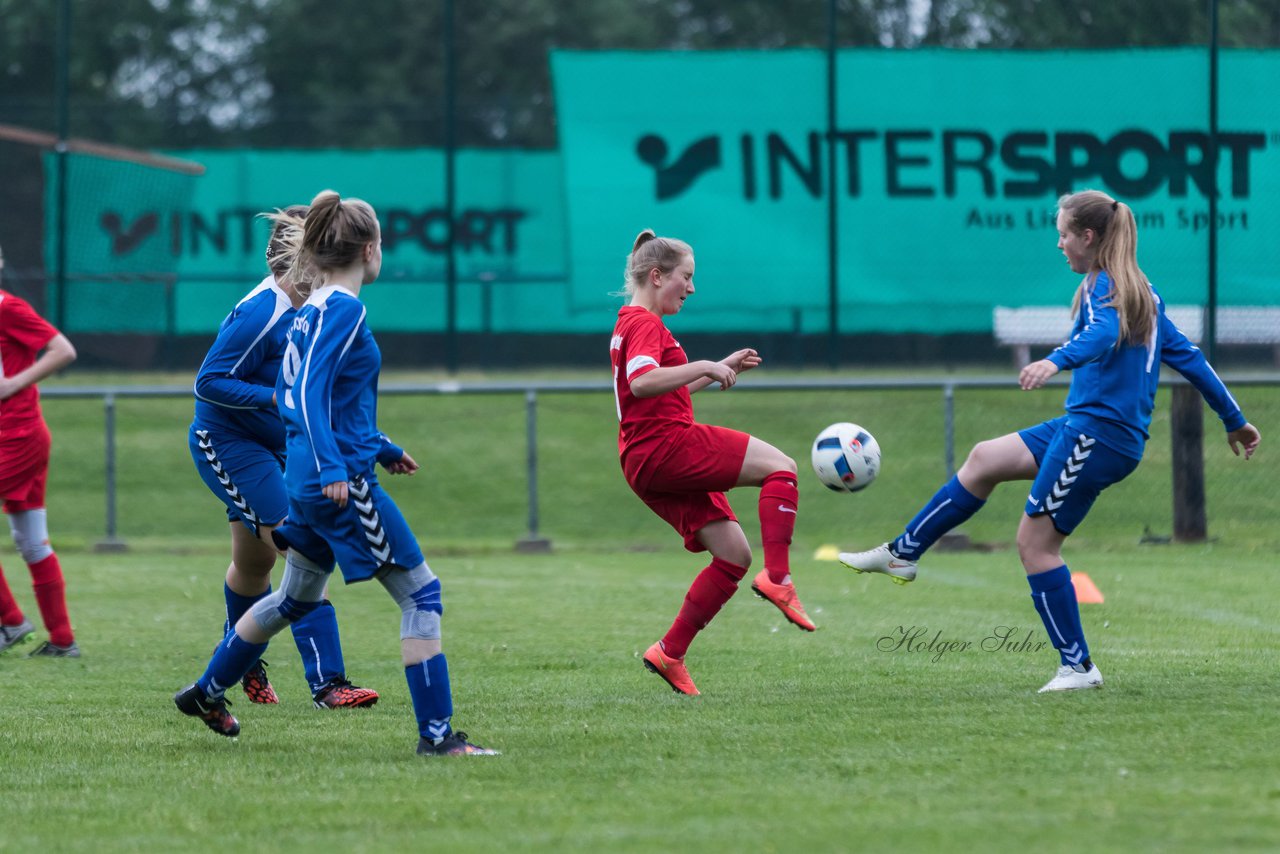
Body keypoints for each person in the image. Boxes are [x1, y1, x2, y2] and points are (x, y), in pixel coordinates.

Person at [839, 189, 1262, 693]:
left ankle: (1078, 667)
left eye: (1064, 234)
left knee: (1035, 546)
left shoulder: (1106, 287)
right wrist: (1234, 418)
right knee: (984, 459)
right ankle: (903, 554)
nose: (1058, 243)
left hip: (1097, 435)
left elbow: (1104, 335)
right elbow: (1189, 356)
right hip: (1085, 427)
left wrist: (1055, 359)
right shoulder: (1141, 290)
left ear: (1088, 236)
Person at [175, 190, 496, 756]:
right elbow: (304, 394)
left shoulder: (312, 307)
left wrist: (382, 445)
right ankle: (439, 739)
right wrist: (335, 467)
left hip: (308, 478)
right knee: (422, 597)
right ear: (370, 249)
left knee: (291, 598)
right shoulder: (341, 308)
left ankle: (206, 690)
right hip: (337, 484)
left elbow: (335, 402)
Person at [188, 205, 377, 709]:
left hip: (273, 444)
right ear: (301, 261)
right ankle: (329, 684)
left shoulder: (317, 307)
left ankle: (238, 660)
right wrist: (276, 397)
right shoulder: (263, 310)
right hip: (229, 443)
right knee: (303, 547)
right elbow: (207, 382)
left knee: (253, 564)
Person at [611, 229, 812, 697]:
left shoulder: (630, 322)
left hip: (645, 460)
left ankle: (670, 652)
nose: (692, 288)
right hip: (664, 446)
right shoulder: (645, 323)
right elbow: (642, 383)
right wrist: (703, 364)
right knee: (782, 467)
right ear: (658, 276)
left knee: (733, 555)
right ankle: (779, 578)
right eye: (687, 277)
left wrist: (720, 366)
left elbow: (656, 387)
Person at [0, 243, 80, 658]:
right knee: (30, 540)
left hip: (17, 434)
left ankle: (11, 621)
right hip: (12, 435)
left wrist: (14, 384)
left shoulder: (6, 307)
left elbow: (63, 350)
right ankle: (62, 640)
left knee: (30, 539)